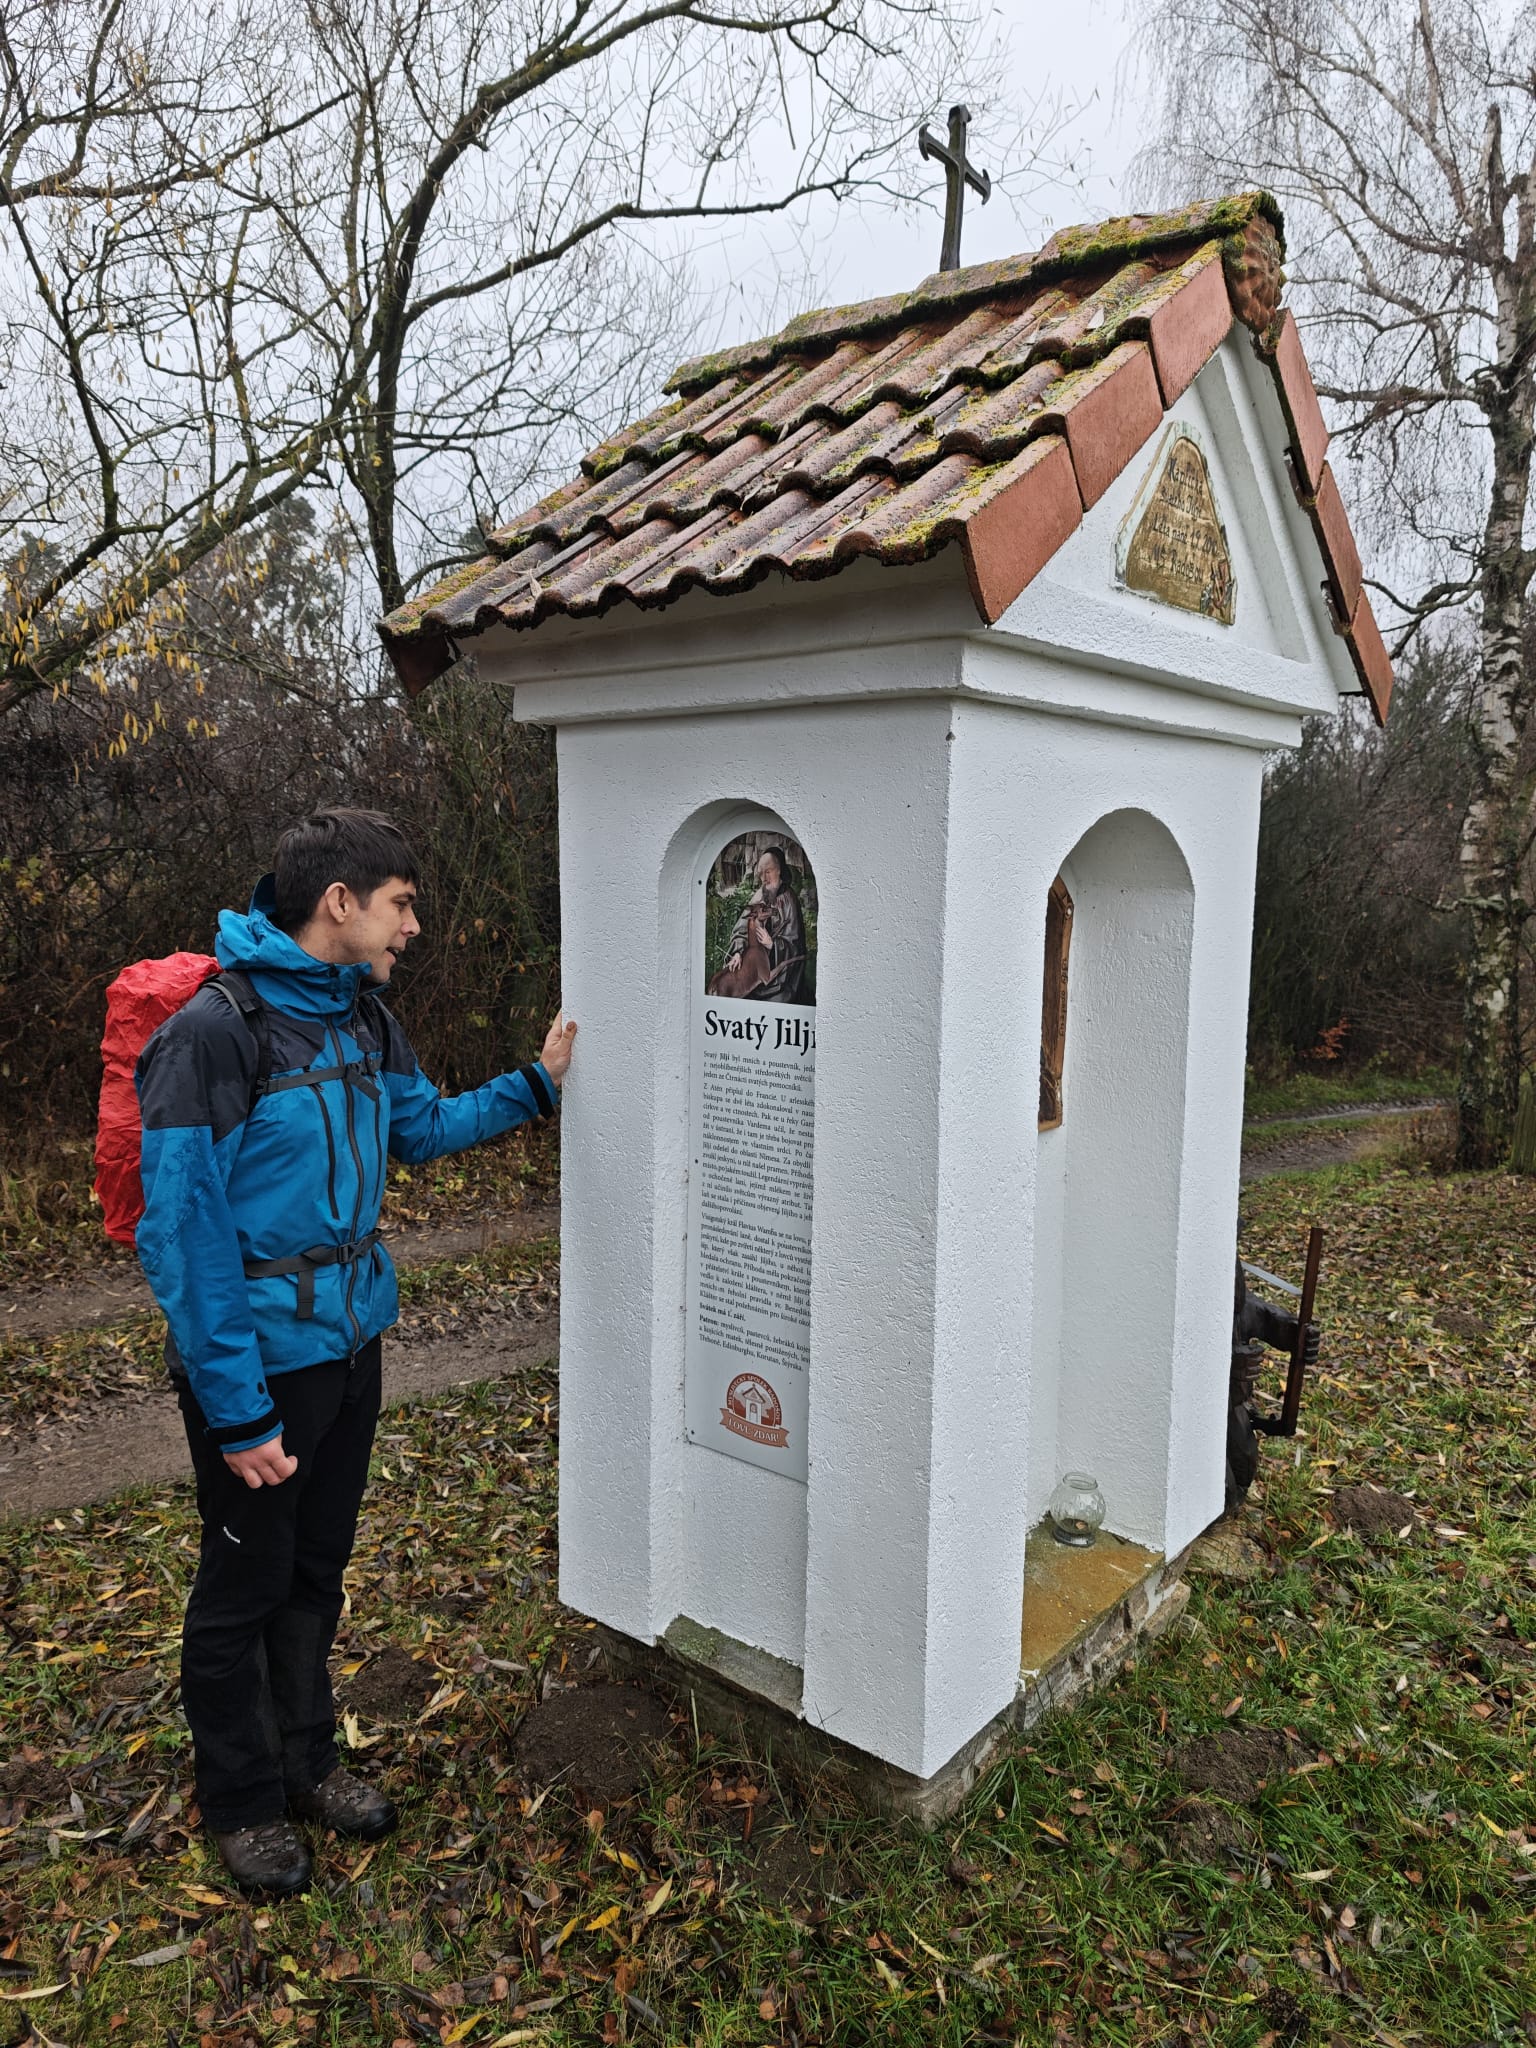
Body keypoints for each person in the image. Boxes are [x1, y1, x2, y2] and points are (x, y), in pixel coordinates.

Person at [134, 809, 576, 1898]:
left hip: (351, 1343)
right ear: (340, 901)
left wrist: (535, 1083)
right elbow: (182, 1235)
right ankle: (242, 1799)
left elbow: (416, 1130)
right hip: (259, 1367)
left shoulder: (364, 1017)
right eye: (401, 904)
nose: (413, 926)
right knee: (243, 1583)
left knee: (315, 1567)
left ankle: (307, 1763)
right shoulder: (213, 1034)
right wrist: (238, 1410)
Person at [720, 847, 808, 1003]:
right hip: (754, 968)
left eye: (768, 872)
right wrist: (738, 952)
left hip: (782, 977)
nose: (764, 878)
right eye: (761, 873)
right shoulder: (760, 894)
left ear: (779, 870)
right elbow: (741, 928)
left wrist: (772, 944)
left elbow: (795, 945)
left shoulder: (789, 900)